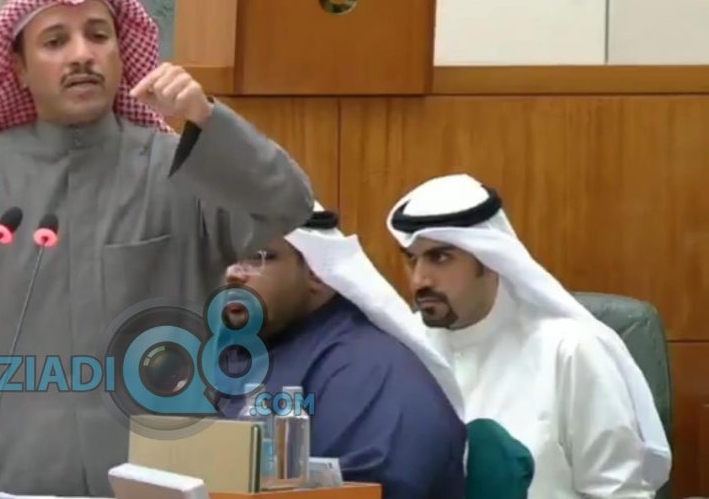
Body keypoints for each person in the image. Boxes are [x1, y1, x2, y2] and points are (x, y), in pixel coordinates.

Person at [0, 0, 313, 497]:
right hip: (9, 483)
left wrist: (205, 117)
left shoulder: (177, 171)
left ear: (122, 54)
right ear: (18, 68)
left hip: (159, 481)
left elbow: (287, 203)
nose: (82, 55)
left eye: (98, 35)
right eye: (55, 41)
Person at [386, 173, 671, 498]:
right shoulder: (403, 348)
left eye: (440, 258)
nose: (420, 280)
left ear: (489, 259)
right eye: (411, 260)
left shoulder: (568, 350)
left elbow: (620, 492)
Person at [220, 203, 468, 498]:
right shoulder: (243, 353)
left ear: (317, 273)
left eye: (259, 256)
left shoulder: (371, 371)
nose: (233, 273)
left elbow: (370, 488)